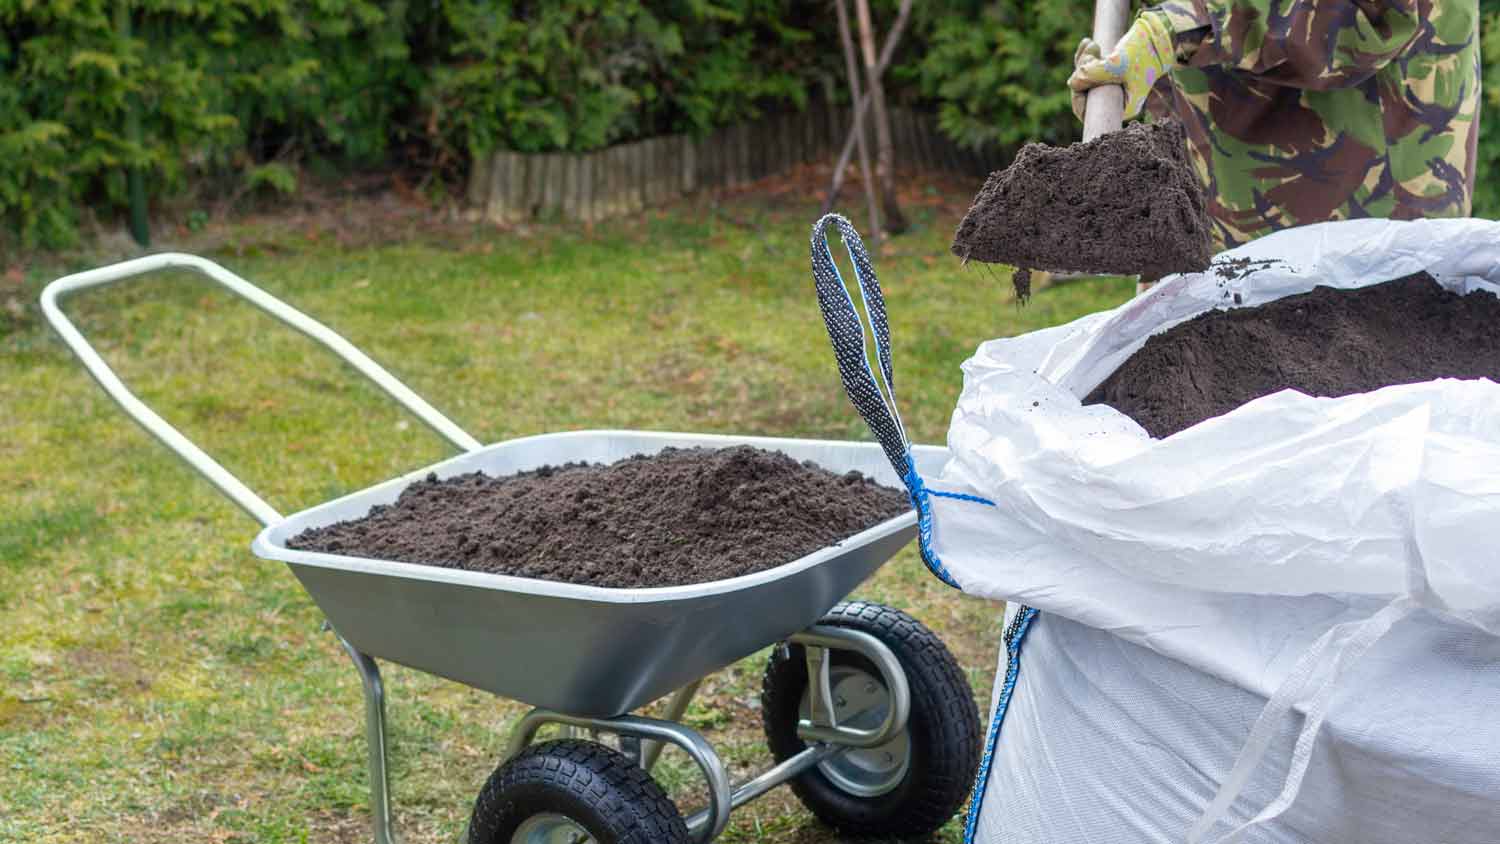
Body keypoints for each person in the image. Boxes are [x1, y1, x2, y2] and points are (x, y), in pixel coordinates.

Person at [1068, 0, 1481, 254]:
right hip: (1218, 214)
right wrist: (1140, 64)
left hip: (1364, 226)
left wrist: (1178, 29)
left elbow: (1374, 17)